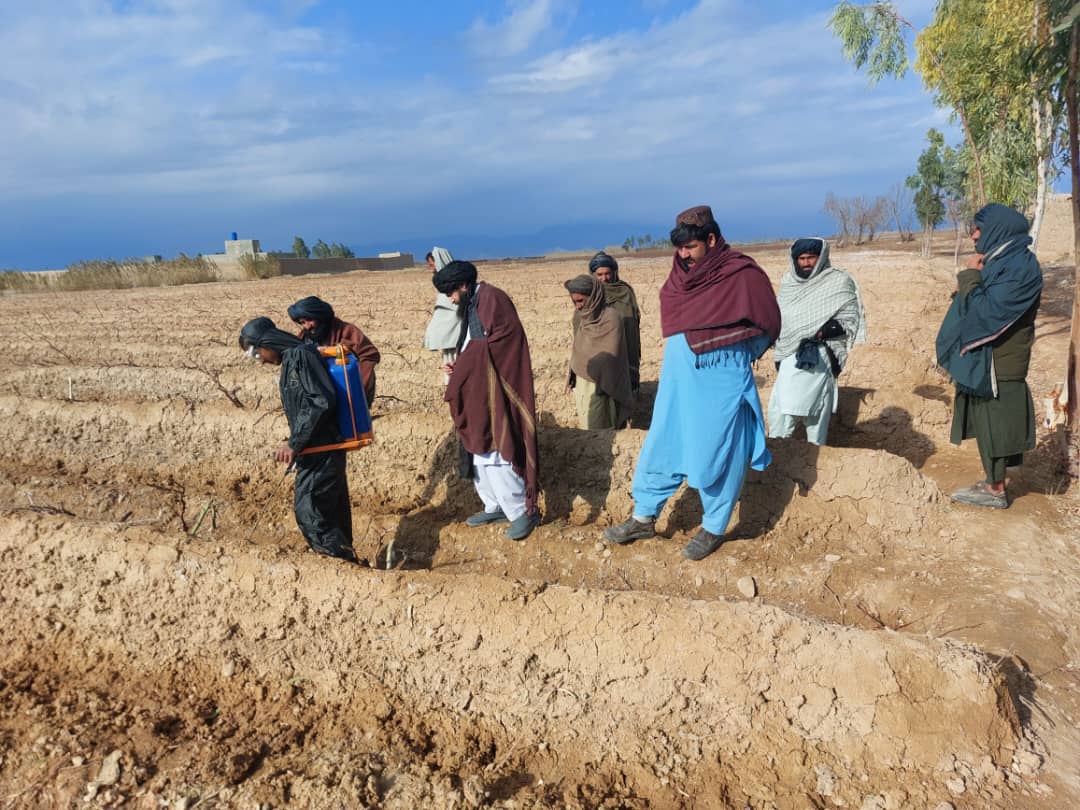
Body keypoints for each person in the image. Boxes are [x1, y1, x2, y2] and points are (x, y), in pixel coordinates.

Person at [603, 206, 780, 560]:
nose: (683, 256)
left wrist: (739, 353)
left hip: (722, 375)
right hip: (679, 375)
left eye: (691, 247)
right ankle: (643, 516)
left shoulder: (741, 273)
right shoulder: (678, 276)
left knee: (718, 448)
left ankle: (714, 526)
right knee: (666, 439)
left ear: (712, 240)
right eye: (679, 248)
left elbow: (769, 321)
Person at [936, 203, 1042, 509]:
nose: (973, 236)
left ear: (997, 229)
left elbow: (988, 312)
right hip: (989, 359)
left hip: (1000, 360)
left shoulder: (1020, 268)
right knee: (987, 420)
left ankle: (995, 489)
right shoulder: (1001, 261)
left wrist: (970, 277)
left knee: (995, 422)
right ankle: (993, 482)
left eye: (978, 229)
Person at [433, 260, 541, 541]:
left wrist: (467, 364)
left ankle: (521, 512)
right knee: (479, 452)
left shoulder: (493, 299)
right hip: (478, 386)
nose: (451, 299)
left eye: (452, 293)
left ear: (464, 286)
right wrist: (461, 368)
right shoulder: (472, 303)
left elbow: (502, 344)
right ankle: (494, 505)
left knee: (496, 449)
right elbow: (474, 346)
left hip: (496, 389)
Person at [239, 317, 357, 561]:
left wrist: (294, 444)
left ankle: (339, 565)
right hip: (317, 448)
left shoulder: (299, 357)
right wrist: (297, 444)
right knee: (329, 512)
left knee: (310, 512)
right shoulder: (296, 358)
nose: (260, 362)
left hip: (322, 450)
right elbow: (308, 407)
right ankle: (345, 563)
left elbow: (320, 401)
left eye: (257, 354)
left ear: (266, 343)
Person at [767, 237, 866, 446]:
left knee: (817, 413)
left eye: (810, 257)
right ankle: (777, 456)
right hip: (789, 355)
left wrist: (820, 332)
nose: (805, 263)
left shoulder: (838, 282)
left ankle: (816, 452)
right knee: (782, 411)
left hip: (819, 355)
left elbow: (849, 318)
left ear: (821, 258)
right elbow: (780, 317)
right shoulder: (788, 283)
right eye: (801, 258)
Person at [564, 274, 633, 429]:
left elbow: (611, 358)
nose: (578, 306)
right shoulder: (582, 317)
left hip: (604, 386)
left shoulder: (611, 318)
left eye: (581, 301)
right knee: (586, 425)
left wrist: (602, 381)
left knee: (603, 426)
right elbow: (579, 349)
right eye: (574, 302)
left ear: (593, 297)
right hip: (583, 383)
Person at [287, 296, 380, 406]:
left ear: (320, 316)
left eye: (310, 319)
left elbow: (369, 355)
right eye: (302, 322)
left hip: (349, 390)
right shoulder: (304, 337)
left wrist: (357, 391)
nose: (307, 326)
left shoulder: (346, 331)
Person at [581, 251, 642, 393]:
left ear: (614, 273)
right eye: (599, 274)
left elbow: (632, 324)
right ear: (593, 275)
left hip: (625, 347)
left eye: (607, 273)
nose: (604, 278)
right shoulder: (588, 295)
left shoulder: (625, 292)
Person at [423, 247, 461, 384]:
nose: (432, 269)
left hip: (459, 342)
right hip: (449, 344)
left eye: (432, 265)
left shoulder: (457, 289)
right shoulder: (444, 288)